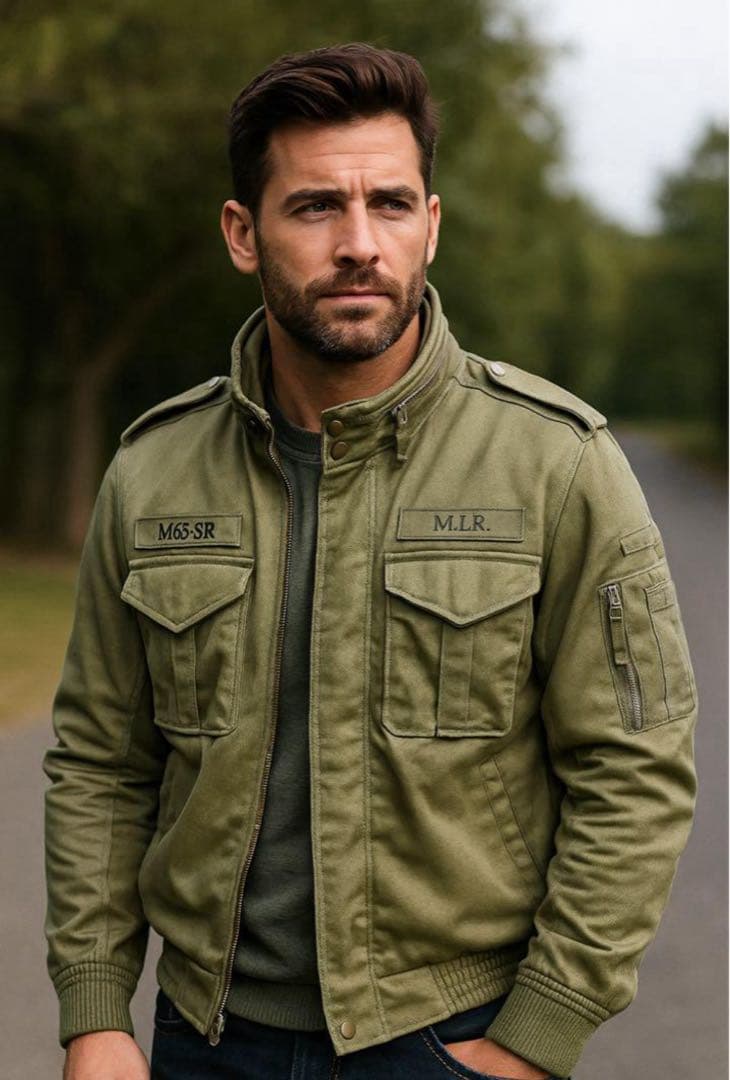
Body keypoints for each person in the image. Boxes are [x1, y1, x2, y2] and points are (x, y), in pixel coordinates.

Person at [44, 43, 698, 1080]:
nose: (358, 244)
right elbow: (101, 765)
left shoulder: (557, 463)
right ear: (242, 233)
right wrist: (94, 1013)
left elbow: (634, 770)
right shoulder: (153, 471)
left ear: (429, 225)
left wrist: (537, 1037)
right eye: (314, 207)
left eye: (388, 204)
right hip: (203, 1039)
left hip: (451, 1039)